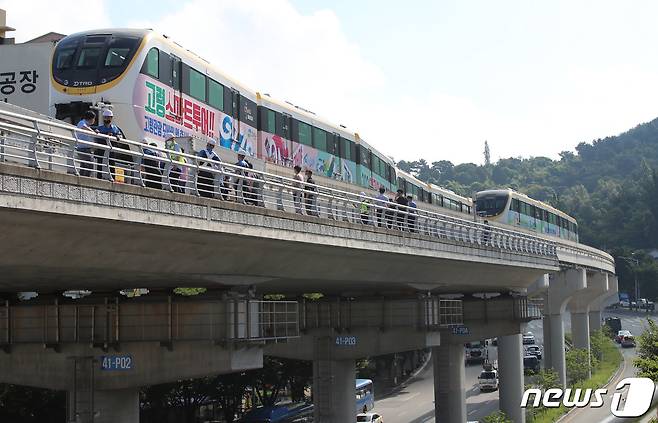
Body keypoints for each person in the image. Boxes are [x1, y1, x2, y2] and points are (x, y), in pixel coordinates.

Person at [94, 109, 124, 179]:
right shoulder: (100, 128)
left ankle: (112, 177)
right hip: (102, 145)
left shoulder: (115, 128)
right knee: (100, 160)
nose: (106, 119)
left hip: (111, 146)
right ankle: (99, 176)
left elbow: (120, 136)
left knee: (112, 162)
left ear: (111, 118)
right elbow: (96, 135)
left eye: (108, 117)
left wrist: (115, 136)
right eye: (105, 117)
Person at [75, 111, 97, 177]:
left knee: (84, 165)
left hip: (85, 148)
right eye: (94, 119)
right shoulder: (82, 122)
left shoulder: (86, 124)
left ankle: (82, 177)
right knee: (90, 164)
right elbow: (84, 128)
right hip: (83, 148)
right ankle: (86, 178)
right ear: (91, 118)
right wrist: (94, 132)